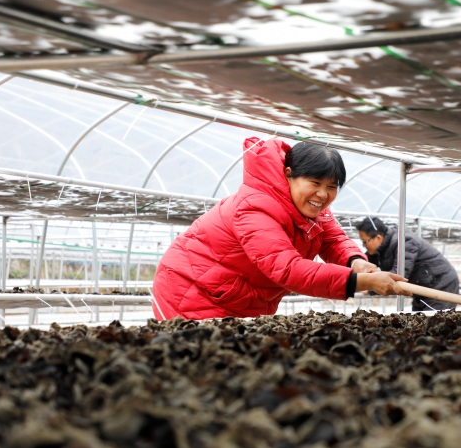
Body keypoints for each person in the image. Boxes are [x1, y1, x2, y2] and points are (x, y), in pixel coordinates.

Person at [152, 137, 408, 320]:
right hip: (191, 291)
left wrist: (355, 262)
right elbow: (287, 269)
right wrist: (358, 282)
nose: (323, 194)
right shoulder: (255, 208)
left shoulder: (313, 209)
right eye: (315, 182)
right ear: (288, 174)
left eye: (332, 186)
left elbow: (333, 240)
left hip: (237, 296)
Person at [356, 217, 460, 311]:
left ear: (378, 238)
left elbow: (398, 276)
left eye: (365, 241)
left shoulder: (404, 242)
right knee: (420, 324)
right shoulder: (381, 248)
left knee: (435, 324)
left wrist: (370, 286)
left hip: (441, 285)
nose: (363, 245)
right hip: (422, 289)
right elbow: (365, 263)